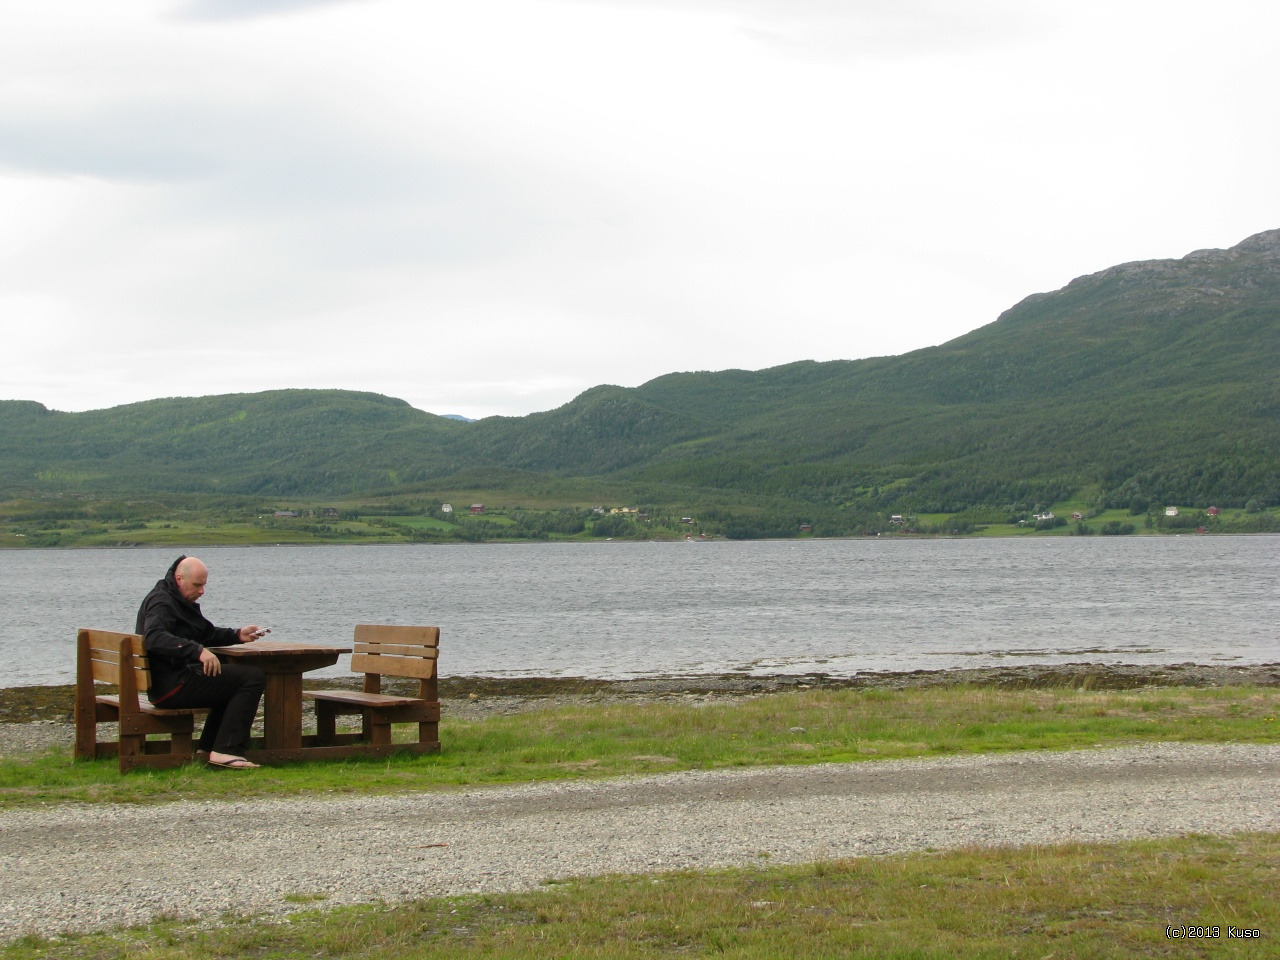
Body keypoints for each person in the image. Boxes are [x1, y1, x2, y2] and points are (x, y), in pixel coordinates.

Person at [135, 555, 269, 769]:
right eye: (197, 585)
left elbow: (204, 633)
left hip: (168, 682)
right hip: (170, 686)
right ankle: (226, 750)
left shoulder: (176, 598)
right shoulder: (162, 601)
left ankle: (208, 748)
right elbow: (154, 637)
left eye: (203, 585)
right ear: (179, 578)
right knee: (252, 678)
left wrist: (237, 635)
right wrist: (198, 651)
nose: (201, 591)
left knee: (228, 679)